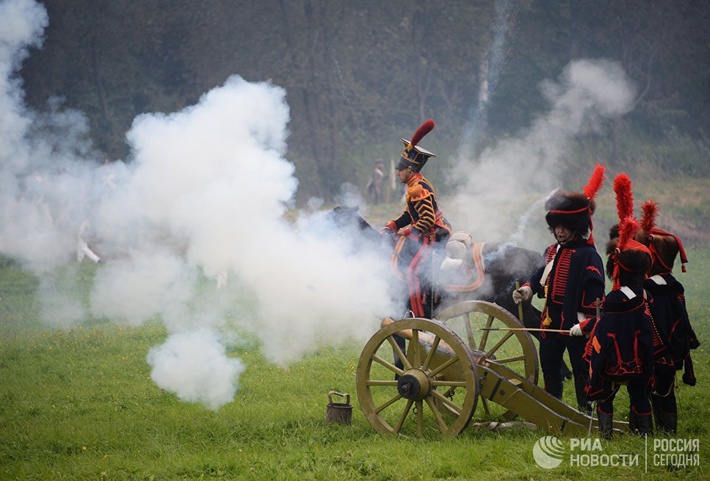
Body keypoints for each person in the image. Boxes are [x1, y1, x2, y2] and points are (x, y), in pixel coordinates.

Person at [512, 163, 606, 414]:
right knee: (550, 366)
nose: (559, 231)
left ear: (575, 226)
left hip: (576, 323)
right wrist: (528, 290)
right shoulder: (552, 251)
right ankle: (553, 411)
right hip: (551, 320)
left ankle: (584, 412)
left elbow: (597, 293)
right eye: (556, 226)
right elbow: (539, 275)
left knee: (581, 370)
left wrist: (584, 322)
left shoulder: (589, 256)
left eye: (564, 226)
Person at [585, 216, 656, 438]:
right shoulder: (644, 297)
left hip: (614, 361)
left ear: (616, 271)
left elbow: (604, 332)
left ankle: (606, 436)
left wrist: (587, 330)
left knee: (605, 395)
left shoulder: (614, 300)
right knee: (640, 395)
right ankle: (644, 434)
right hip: (640, 360)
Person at [636, 199, 699, 435]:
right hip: (672, 353)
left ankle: (652, 431)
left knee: (648, 391)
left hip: (652, 352)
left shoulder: (648, 291)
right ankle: (667, 431)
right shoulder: (675, 288)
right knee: (665, 392)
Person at [383, 119, 452, 319]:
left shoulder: (418, 188)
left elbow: (427, 220)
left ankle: (418, 316)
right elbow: (411, 214)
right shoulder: (414, 185)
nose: (397, 172)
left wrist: (407, 231)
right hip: (427, 233)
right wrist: (394, 225)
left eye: (401, 169)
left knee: (411, 272)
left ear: (410, 170)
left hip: (434, 236)